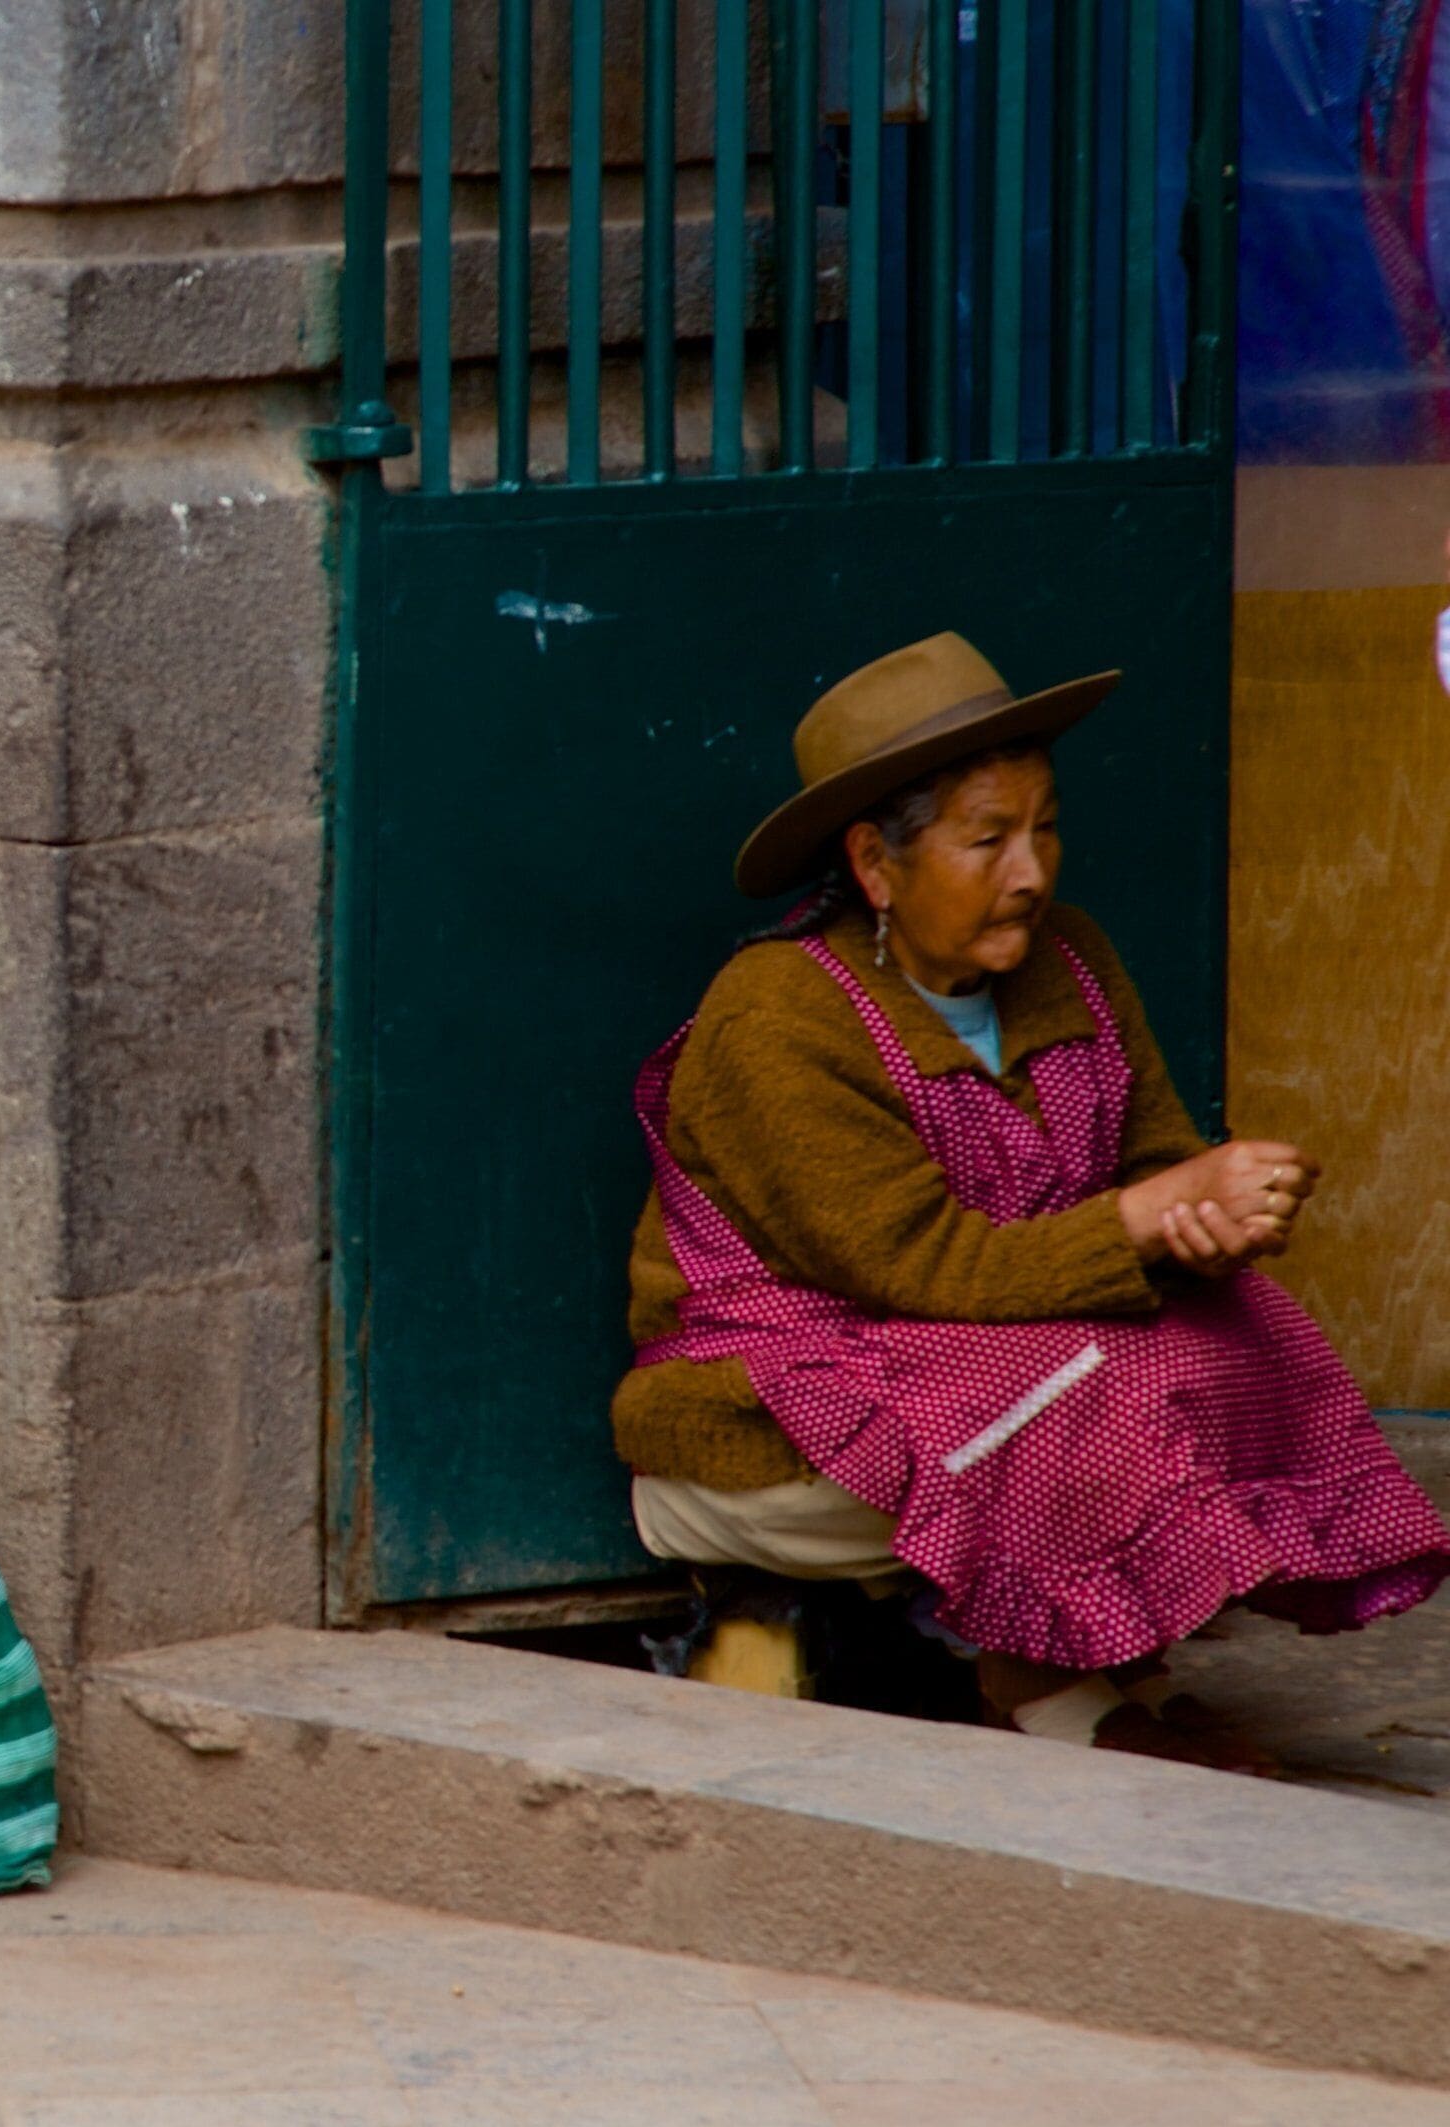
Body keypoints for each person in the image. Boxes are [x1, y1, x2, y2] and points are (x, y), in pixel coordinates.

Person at [618, 632, 1450, 1764]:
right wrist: (1143, 1222)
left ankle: (1124, 1666)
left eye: (1045, 828)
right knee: (1079, 1382)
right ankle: (1047, 1691)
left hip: (1002, 1359)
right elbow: (923, 1264)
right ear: (874, 863)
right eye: (988, 839)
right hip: (778, 1409)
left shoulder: (1073, 959)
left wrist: (1208, 1217)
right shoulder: (776, 1014)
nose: (1031, 872)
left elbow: (1151, 1159)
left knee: (1243, 1334)